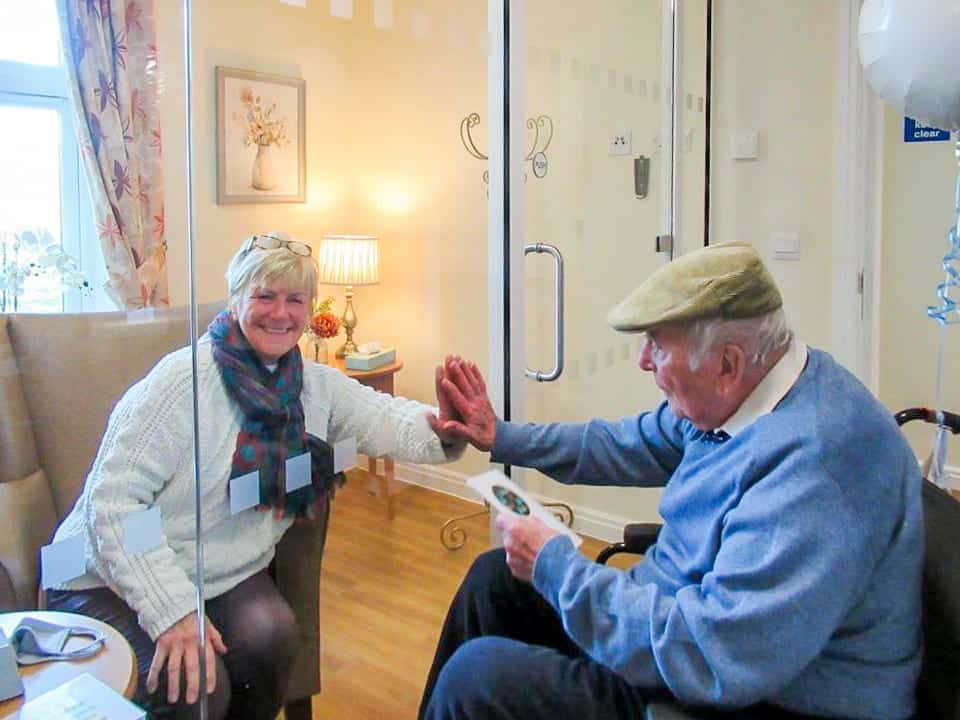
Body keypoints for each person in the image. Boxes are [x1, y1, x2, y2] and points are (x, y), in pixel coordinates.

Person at [419, 242, 923, 720]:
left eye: (657, 345)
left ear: (726, 364)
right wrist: (500, 435)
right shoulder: (745, 395)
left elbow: (712, 656)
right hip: (690, 634)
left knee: (476, 678)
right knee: (495, 581)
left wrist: (555, 565)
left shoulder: (815, 469)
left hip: (762, 697)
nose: (643, 361)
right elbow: (620, 444)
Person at [46, 231, 464, 719]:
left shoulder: (311, 385)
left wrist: (447, 428)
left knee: (272, 636)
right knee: (196, 686)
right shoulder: (182, 383)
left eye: (295, 300)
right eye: (265, 296)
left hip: (212, 568)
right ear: (235, 298)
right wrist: (172, 610)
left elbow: (385, 418)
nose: (280, 313)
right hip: (100, 573)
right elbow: (113, 506)